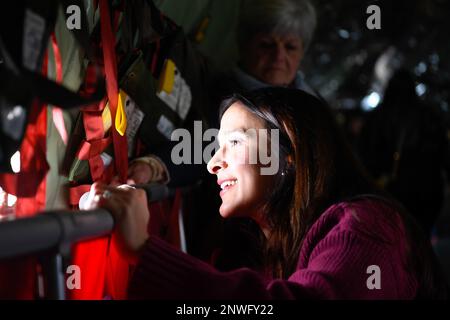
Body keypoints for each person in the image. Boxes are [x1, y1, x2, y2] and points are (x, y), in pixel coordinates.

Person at [87, 87, 448, 299]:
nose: (213, 163)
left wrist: (144, 249)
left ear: (288, 153)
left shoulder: (367, 227)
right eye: (215, 146)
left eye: (234, 142)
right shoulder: (272, 247)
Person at [358, 69, 448, 238]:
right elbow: (442, 153)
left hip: (388, 191)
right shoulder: (429, 116)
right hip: (426, 192)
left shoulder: (376, 118)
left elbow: (365, 156)